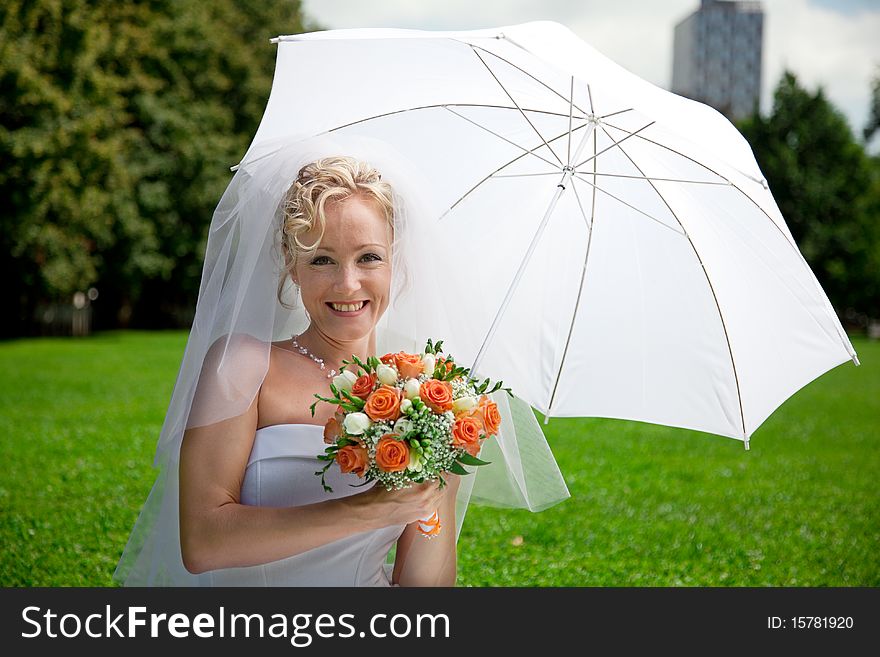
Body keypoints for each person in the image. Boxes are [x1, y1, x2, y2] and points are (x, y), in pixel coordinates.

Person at [113, 133, 570, 587]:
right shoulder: (243, 366)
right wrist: (368, 509)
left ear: (396, 263)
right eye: (322, 261)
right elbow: (203, 542)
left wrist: (439, 483)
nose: (348, 284)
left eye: (369, 257)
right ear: (292, 267)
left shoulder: (424, 403)